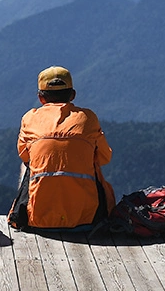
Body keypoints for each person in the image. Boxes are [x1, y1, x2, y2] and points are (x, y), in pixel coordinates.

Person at [16, 66, 115, 230]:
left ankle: (23, 209)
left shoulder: (30, 118)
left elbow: (24, 156)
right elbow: (105, 157)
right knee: (92, 160)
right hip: (87, 220)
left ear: (41, 98)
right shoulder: (88, 118)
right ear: (72, 95)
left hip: (38, 221)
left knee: (28, 163)